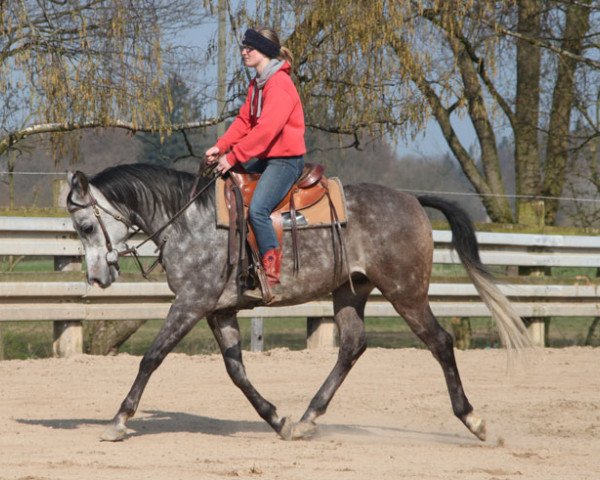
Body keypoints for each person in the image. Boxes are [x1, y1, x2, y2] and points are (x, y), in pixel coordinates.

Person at [205, 27, 306, 290]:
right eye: (244, 47)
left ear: (266, 52)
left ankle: (271, 267)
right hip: (267, 157)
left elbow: (266, 130)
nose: (244, 51)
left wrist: (235, 155)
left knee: (258, 209)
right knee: (228, 182)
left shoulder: (280, 85)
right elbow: (244, 122)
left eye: (250, 48)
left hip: (286, 161)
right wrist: (221, 147)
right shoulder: (258, 84)